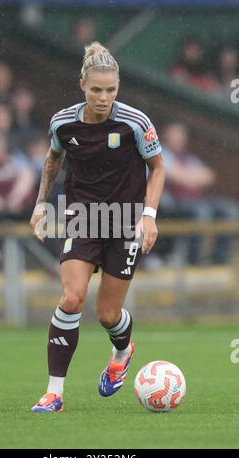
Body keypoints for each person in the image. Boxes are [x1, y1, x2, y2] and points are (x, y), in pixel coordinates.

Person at [29, 42, 165, 413]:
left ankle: (122, 348)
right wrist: (41, 203)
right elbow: (53, 157)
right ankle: (54, 392)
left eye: (111, 90)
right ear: (82, 86)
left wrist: (149, 216)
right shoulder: (63, 122)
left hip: (125, 221)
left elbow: (157, 168)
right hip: (83, 218)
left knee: (107, 314)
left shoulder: (135, 123)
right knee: (72, 298)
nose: (104, 98)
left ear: (118, 87)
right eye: (96, 90)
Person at [159, 122, 239, 265]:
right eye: (176, 137)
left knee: (230, 210)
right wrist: (190, 177)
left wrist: (186, 176)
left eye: (181, 137)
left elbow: (209, 176)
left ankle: (219, 261)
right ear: (166, 137)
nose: (179, 141)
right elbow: (177, 178)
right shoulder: (159, 155)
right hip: (172, 204)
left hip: (196, 200)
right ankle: (195, 262)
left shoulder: (188, 158)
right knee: (201, 211)